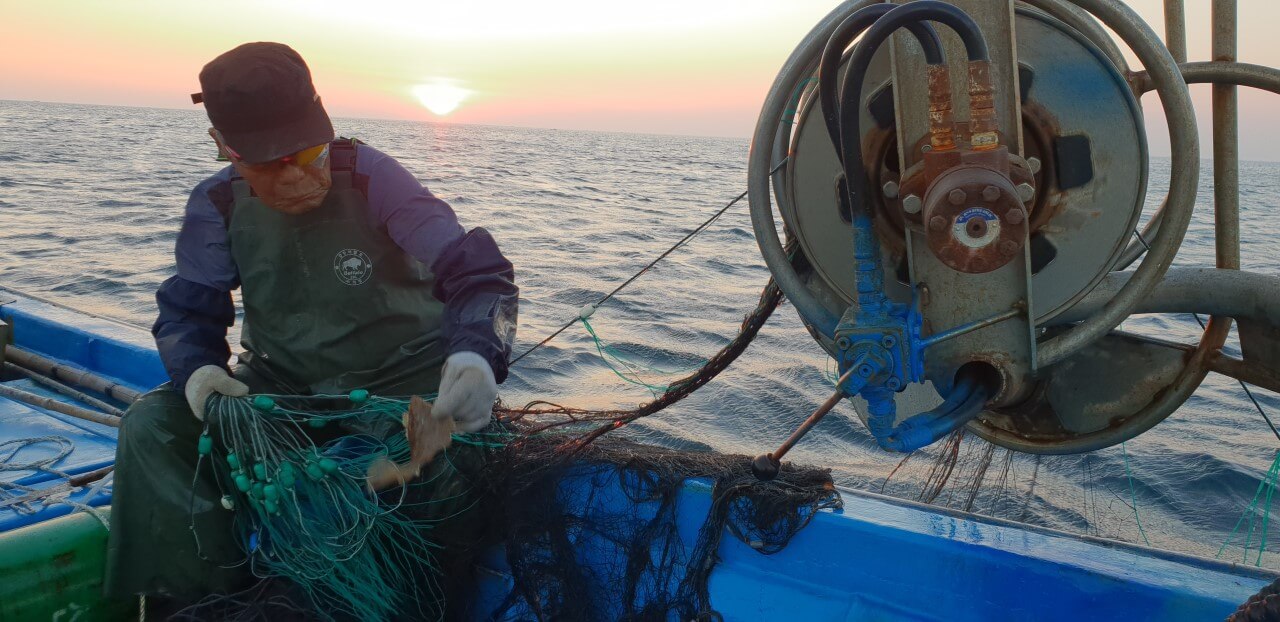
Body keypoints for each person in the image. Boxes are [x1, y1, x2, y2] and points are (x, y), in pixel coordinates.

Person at [104, 42, 519, 609]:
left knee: (425, 465)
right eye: (268, 164)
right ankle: (200, 599)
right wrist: (198, 371)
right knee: (152, 426)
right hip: (284, 389)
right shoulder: (217, 203)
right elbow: (189, 311)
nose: (294, 176)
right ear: (223, 147)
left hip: (398, 386)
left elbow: (476, 274)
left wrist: (476, 357)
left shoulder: (375, 177)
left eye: (306, 154)